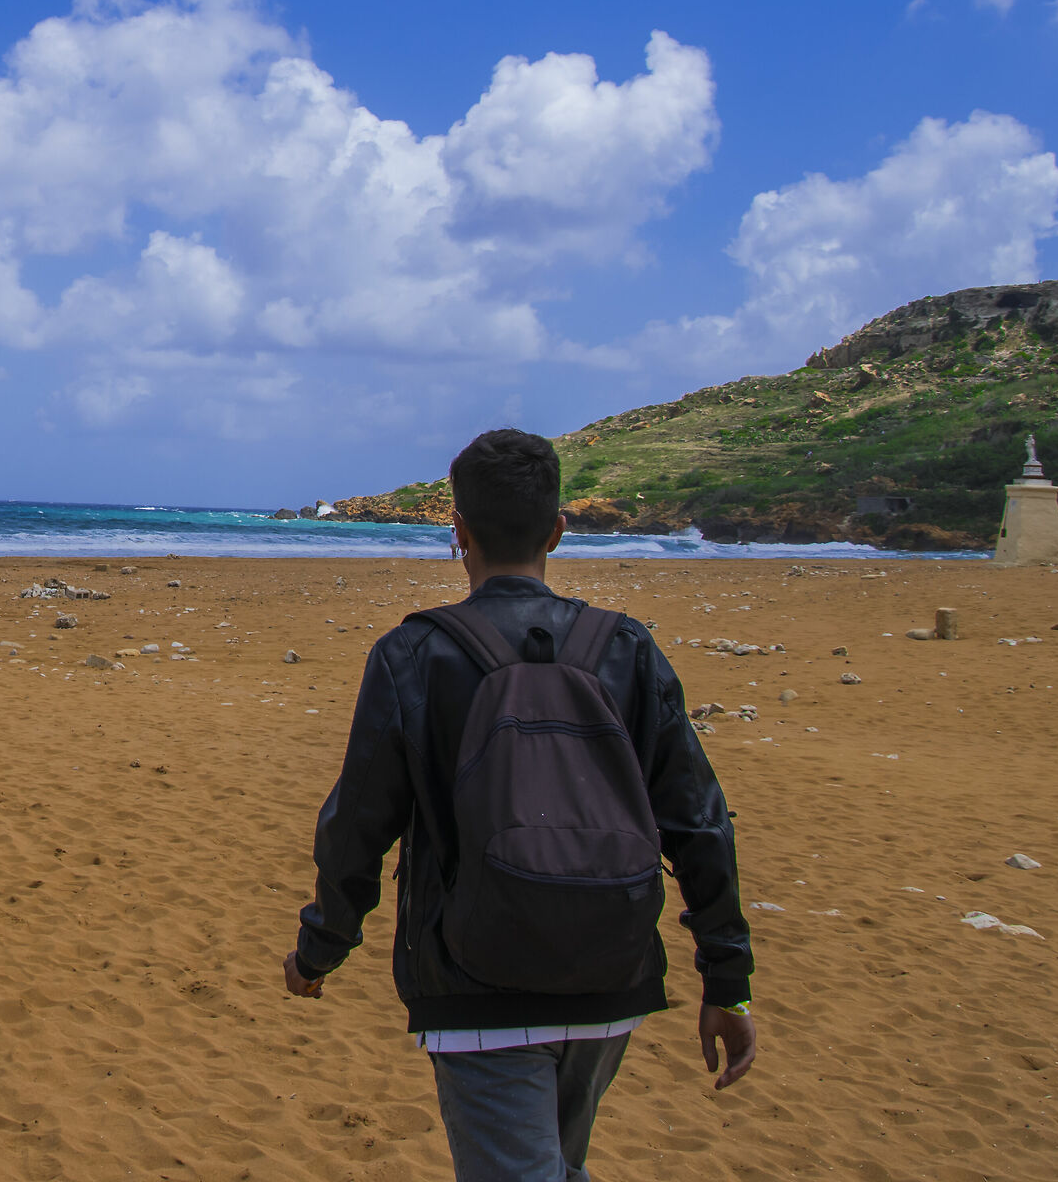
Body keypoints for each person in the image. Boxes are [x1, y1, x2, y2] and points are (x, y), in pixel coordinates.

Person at [282, 428, 755, 1181]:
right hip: (610, 969)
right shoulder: (625, 648)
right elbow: (700, 824)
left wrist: (320, 948)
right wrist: (727, 982)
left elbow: (357, 827)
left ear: (457, 532)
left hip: (474, 987)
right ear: (559, 530)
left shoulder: (412, 655)